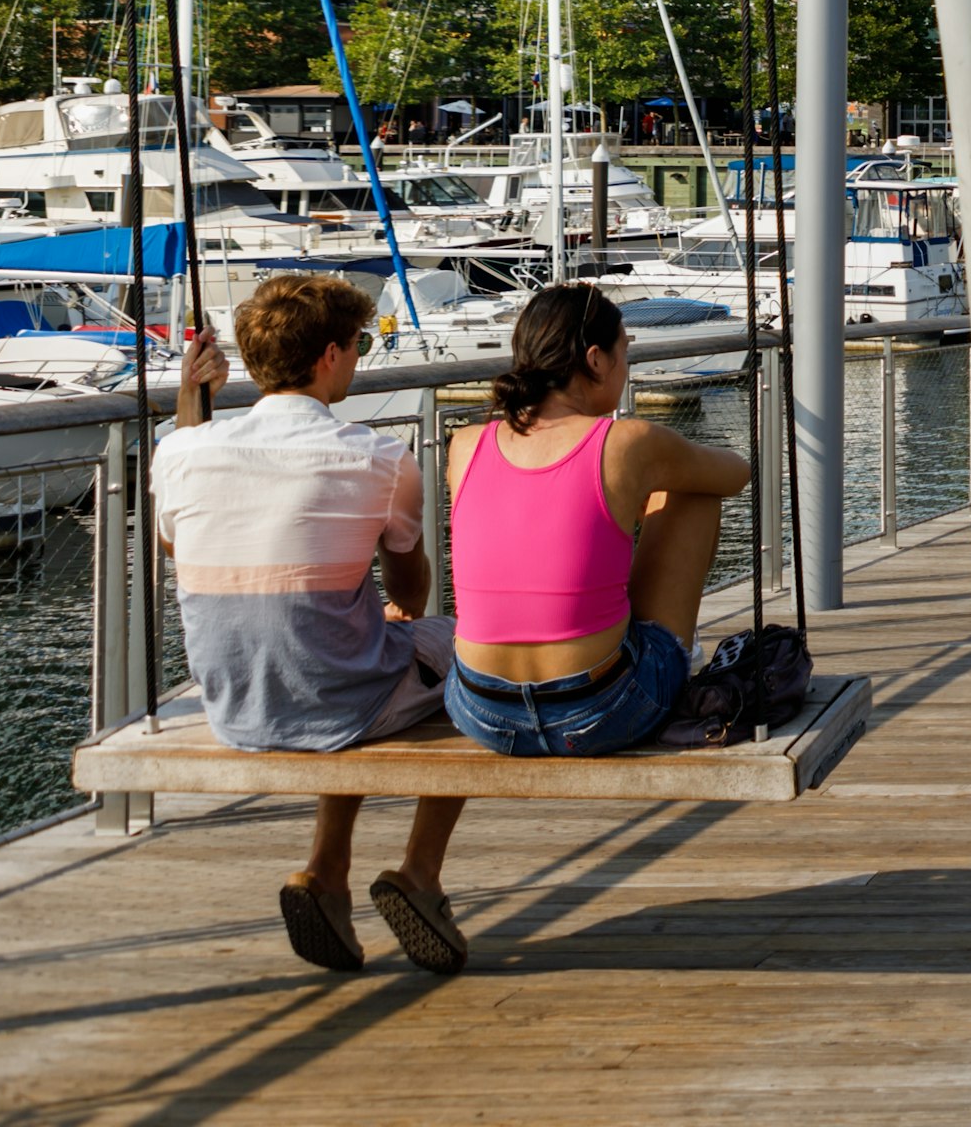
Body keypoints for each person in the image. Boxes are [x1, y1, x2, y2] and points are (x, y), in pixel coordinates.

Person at [153, 272, 470, 978]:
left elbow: (178, 542)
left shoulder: (181, 450)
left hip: (235, 706)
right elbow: (410, 588)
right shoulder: (379, 457)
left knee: (353, 651)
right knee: (477, 656)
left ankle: (327, 874)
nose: (358, 357)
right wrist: (400, 610)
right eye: (357, 345)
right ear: (329, 355)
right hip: (336, 695)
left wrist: (189, 400)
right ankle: (420, 873)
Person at [443, 284, 750, 762]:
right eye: (625, 351)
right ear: (596, 360)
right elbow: (735, 474)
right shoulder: (628, 442)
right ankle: (674, 652)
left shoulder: (466, 444)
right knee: (694, 489)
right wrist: (646, 482)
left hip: (482, 710)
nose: (626, 367)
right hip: (599, 713)